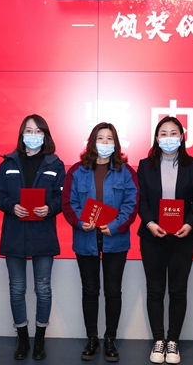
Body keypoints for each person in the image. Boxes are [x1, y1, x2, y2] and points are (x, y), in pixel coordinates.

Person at [62, 122, 139, 363]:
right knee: (90, 290)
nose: (105, 142)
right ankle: (92, 338)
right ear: (91, 142)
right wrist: (79, 221)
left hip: (115, 239)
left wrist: (115, 225)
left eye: (109, 138)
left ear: (116, 143)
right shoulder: (76, 171)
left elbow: (132, 205)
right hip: (86, 238)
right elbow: (68, 203)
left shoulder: (126, 172)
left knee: (113, 291)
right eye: (100, 138)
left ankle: (110, 339)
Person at [0, 114, 65, 361]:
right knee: (17, 289)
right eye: (29, 130)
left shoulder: (55, 164)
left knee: (43, 289)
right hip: (14, 233)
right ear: (22, 134)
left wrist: (50, 208)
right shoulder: (8, 163)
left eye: (38, 131)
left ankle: (40, 341)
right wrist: (11, 206)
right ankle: (23, 339)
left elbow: (62, 197)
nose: (33, 135)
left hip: (43, 234)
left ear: (45, 135)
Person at [137, 116, 193, 364]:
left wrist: (189, 224)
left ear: (182, 137)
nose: (168, 138)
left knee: (178, 290)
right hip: (152, 236)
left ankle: (173, 341)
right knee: (155, 290)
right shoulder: (145, 165)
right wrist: (150, 223)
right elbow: (141, 200)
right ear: (157, 138)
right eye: (163, 134)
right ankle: (158, 340)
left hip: (182, 237)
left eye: (173, 133)